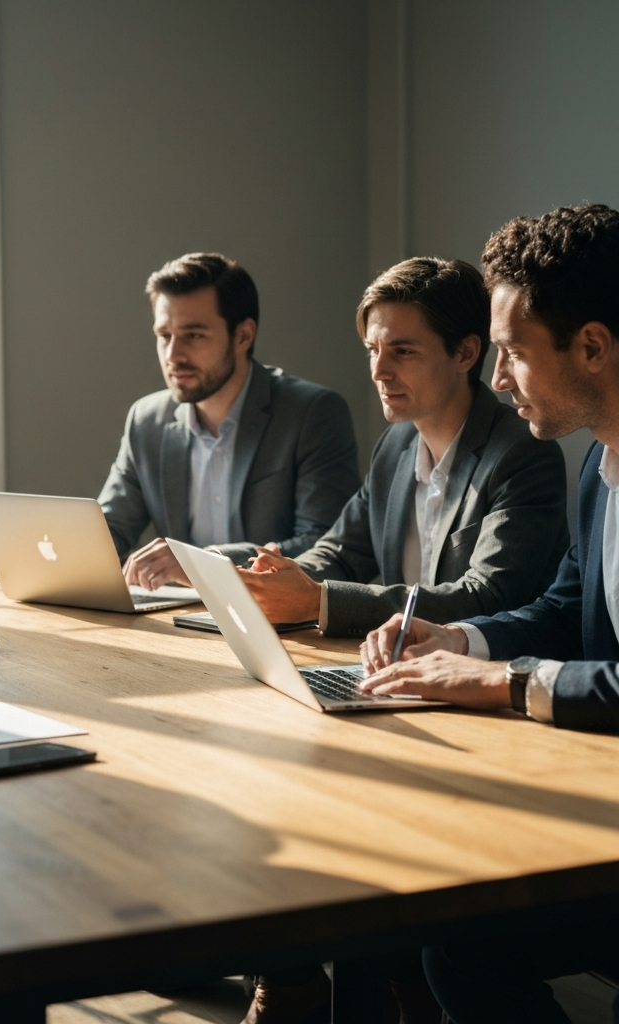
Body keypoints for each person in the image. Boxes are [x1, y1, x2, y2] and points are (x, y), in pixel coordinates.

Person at [357, 204, 619, 1023]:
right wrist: (456, 640)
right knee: (456, 940)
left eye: (510, 353)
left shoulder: (546, 458)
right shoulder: (596, 470)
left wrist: (506, 681)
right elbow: (566, 606)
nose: (498, 380)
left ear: (593, 346)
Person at [236, 257, 569, 636]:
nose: (379, 371)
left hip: (486, 679)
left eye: (403, 351)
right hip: (393, 664)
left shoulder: (522, 451)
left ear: (465, 354)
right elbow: (342, 553)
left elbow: (487, 597)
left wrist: (317, 600)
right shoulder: (396, 445)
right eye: (373, 349)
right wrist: (278, 577)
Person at [98, 252, 360, 591]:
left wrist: (201, 562)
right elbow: (112, 529)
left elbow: (327, 548)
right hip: (182, 619)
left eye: (193, 336)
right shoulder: (147, 420)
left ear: (243, 336)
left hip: (276, 624)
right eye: (164, 335)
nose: (173, 355)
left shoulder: (312, 413)